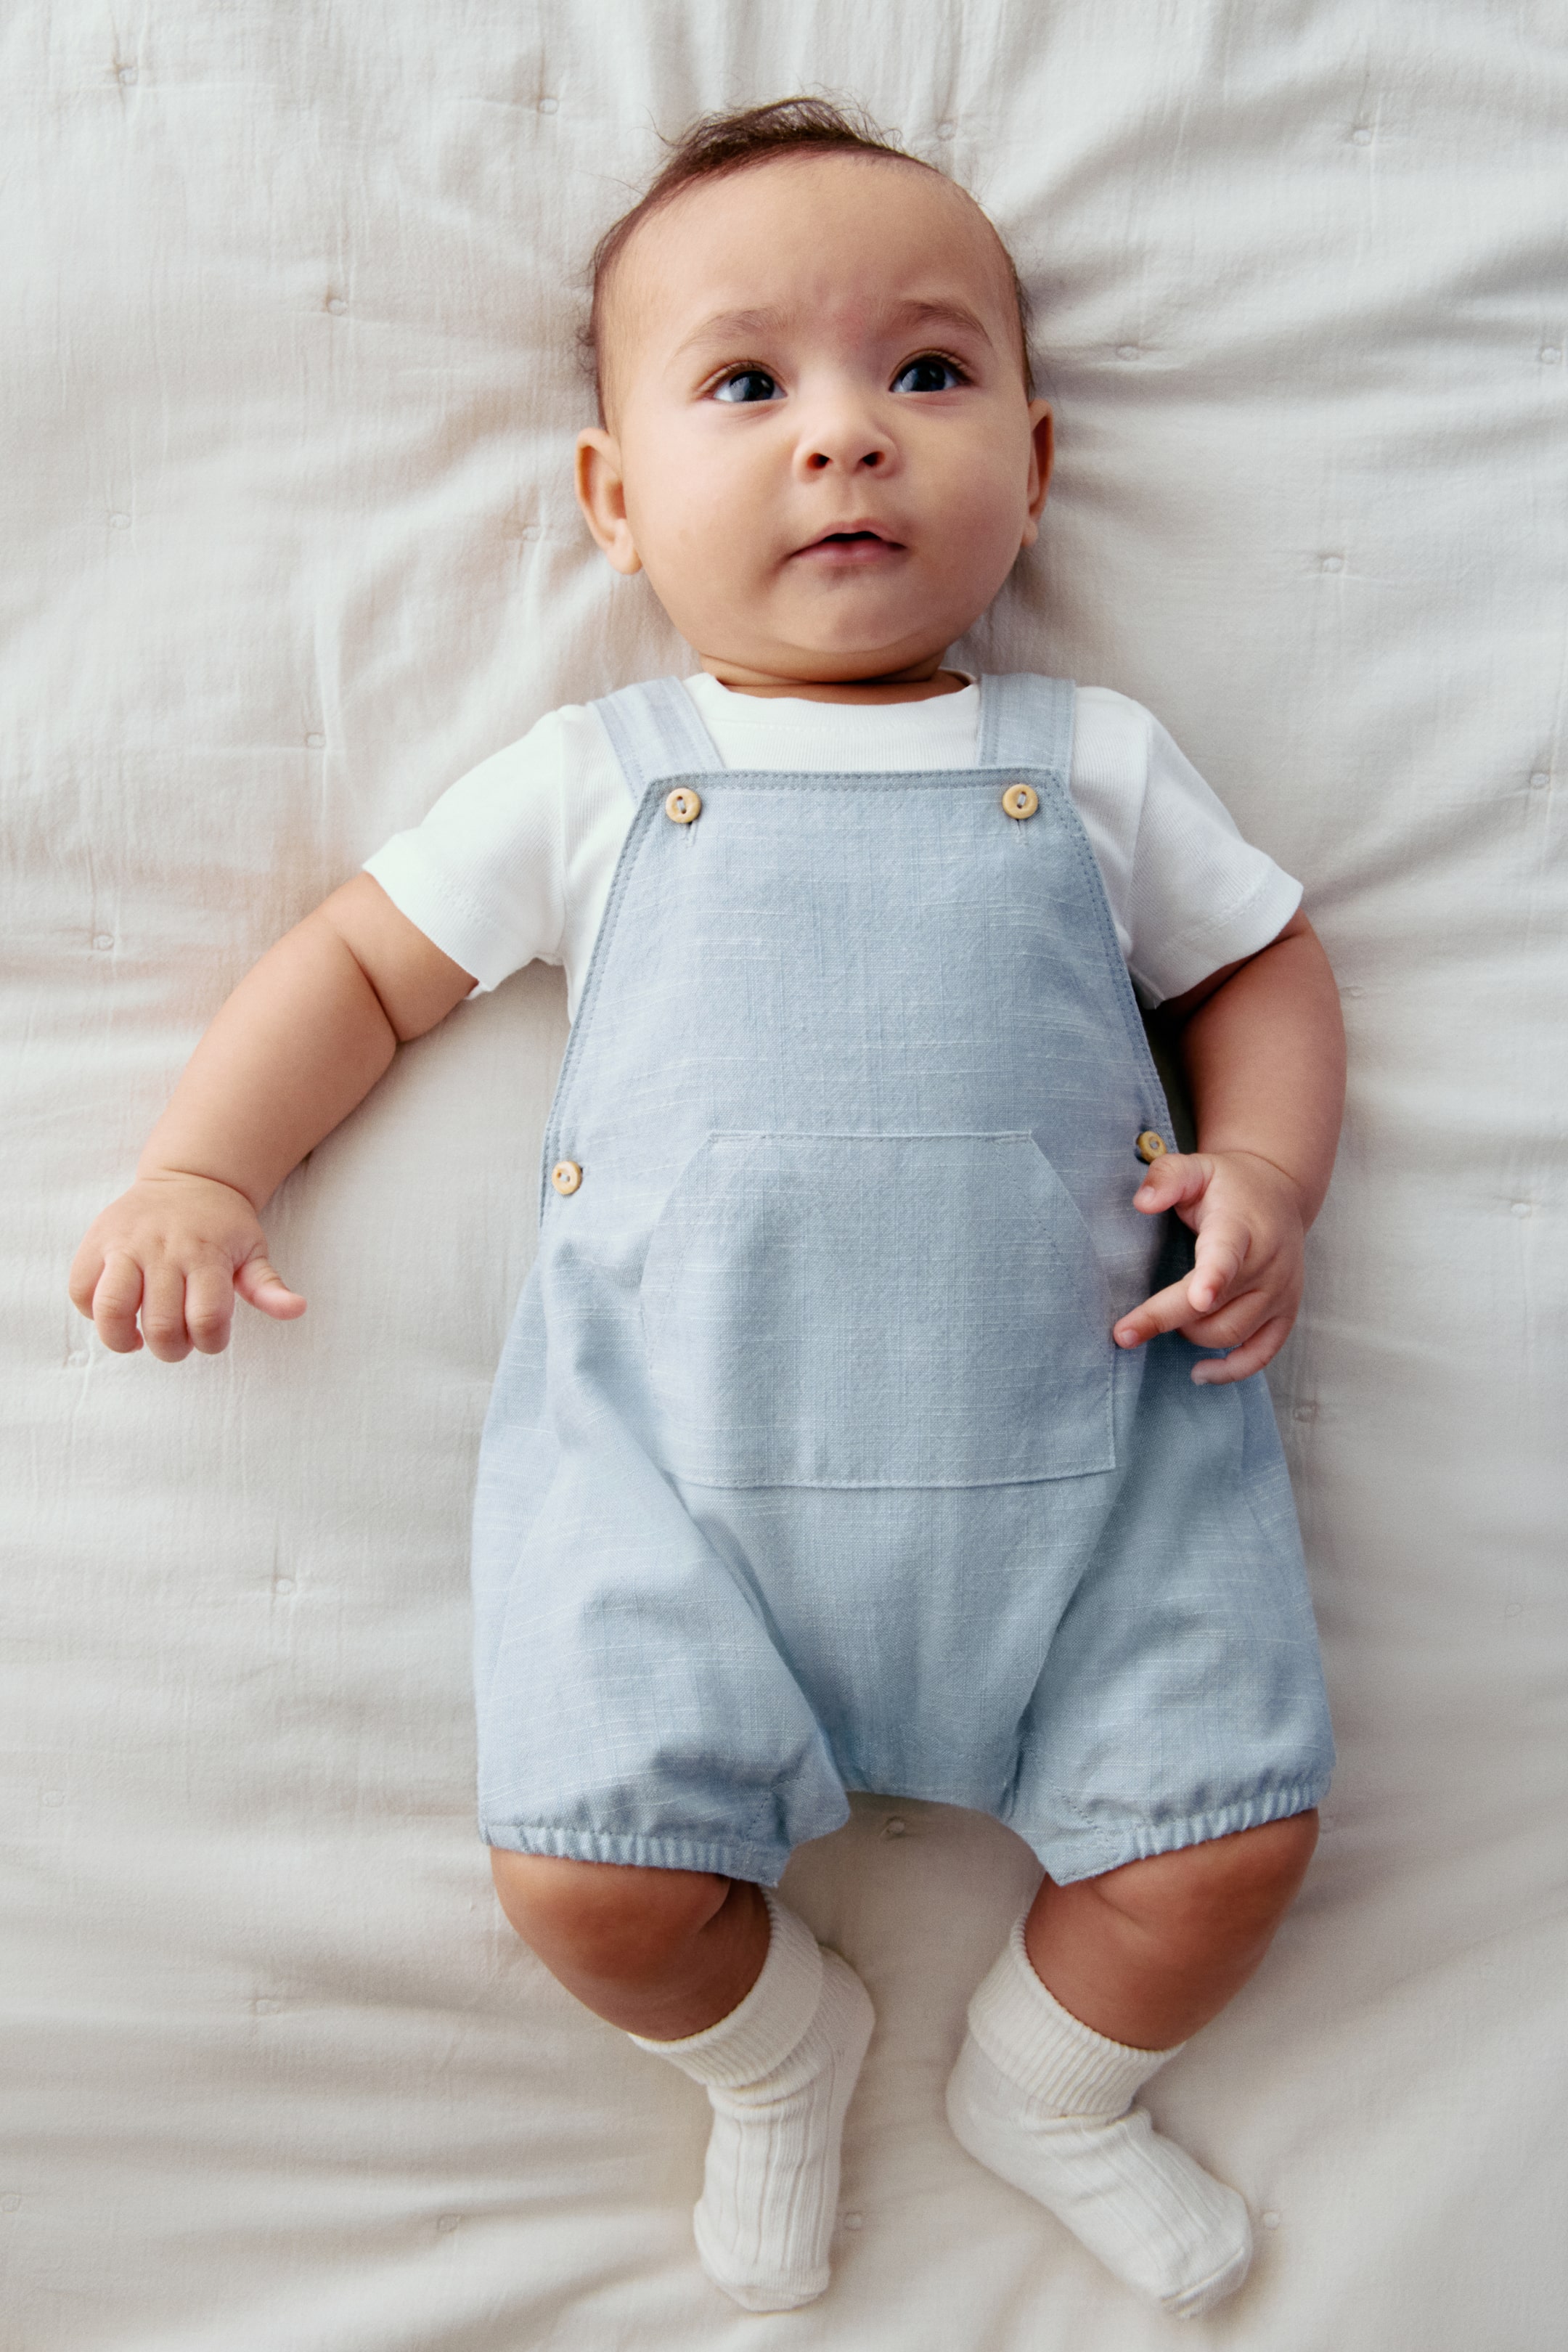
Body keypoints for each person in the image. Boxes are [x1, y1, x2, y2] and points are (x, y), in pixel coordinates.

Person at [70, 99, 1341, 2322]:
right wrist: (203, 1163)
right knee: (586, 1887)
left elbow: (1260, 966)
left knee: (1232, 1845)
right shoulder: (599, 778)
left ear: (1034, 466)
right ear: (618, 499)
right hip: (677, 1494)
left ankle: (1049, 2089)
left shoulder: (1098, 760)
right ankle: (782, 2061)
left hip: (1102, 1474)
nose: (847, 440)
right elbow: (363, 970)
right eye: (749, 384)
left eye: (927, 374)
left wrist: (1261, 1167)